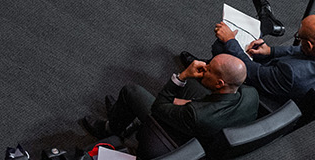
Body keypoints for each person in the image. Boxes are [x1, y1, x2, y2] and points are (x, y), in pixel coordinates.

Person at [93, 53, 259, 149]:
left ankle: (110, 129)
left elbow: (158, 107)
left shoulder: (196, 115)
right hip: (213, 120)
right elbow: (211, 104)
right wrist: (185, 103)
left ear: (219, 83)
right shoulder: (252, 94)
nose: (203, 67)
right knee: (193, 84)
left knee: (132, 92)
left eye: (208, 69)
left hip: (180, 140)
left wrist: (182, 76)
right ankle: (126, 117)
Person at [206, 13, 315, 106]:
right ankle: (267, 23)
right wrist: (271, 51)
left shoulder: (291, 74)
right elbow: (301, 50)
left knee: (222, 48)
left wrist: (230, 40)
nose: (297, 39)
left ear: (309, 45)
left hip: (270, 94)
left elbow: (252, 71)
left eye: (298, 37)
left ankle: (207, 71)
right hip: (301, 77)